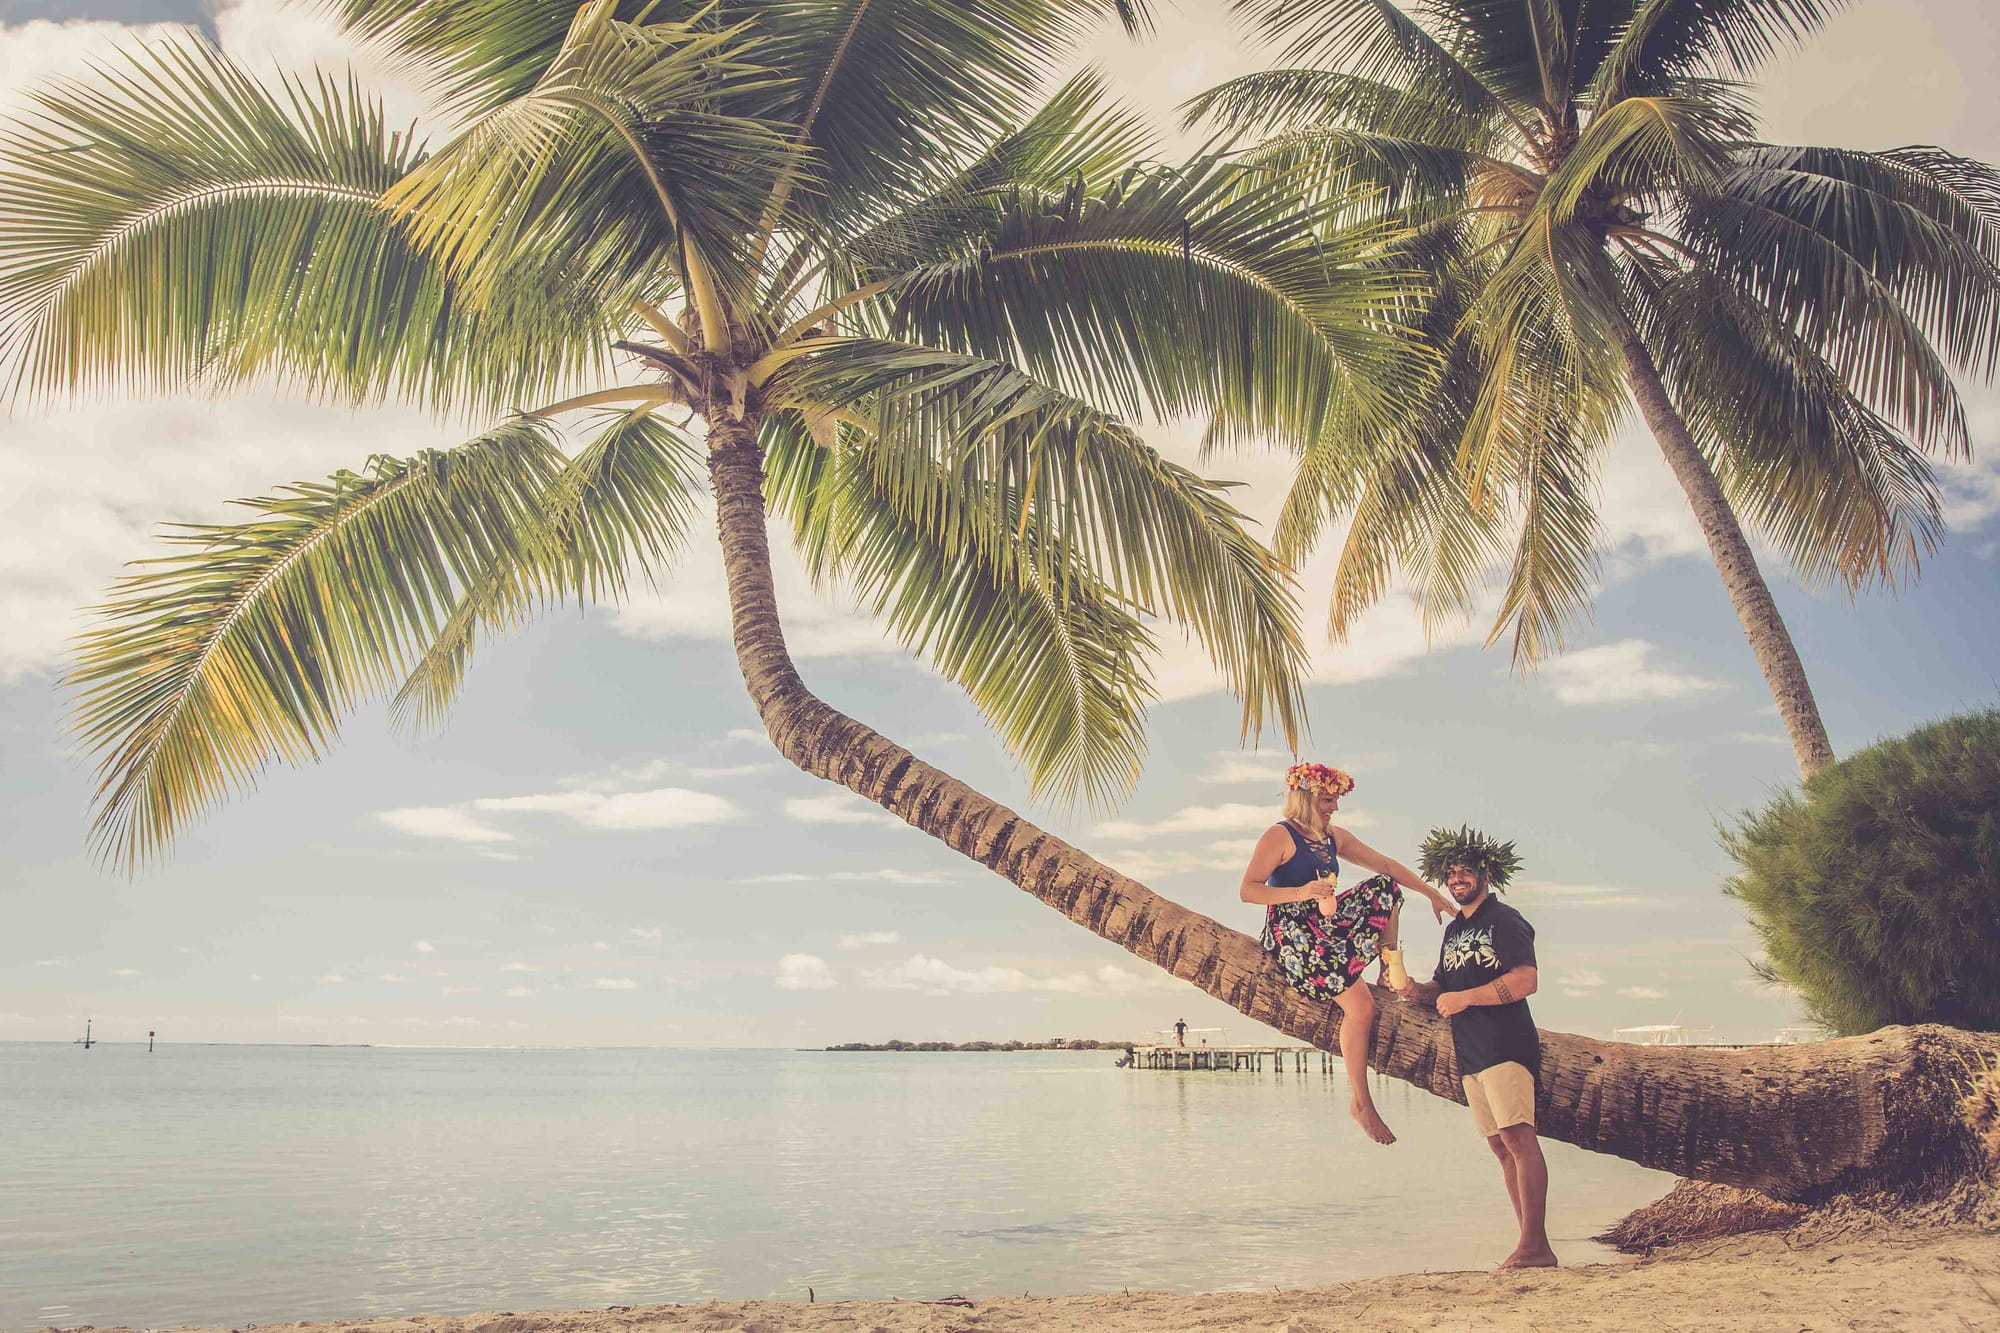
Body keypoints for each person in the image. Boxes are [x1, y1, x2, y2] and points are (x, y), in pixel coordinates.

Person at [1240, 762, 1451, 1145]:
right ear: (1305, 798)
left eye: (1336, 800)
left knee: (1386, 886)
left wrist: (1430, 893)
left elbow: (1386, 865)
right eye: (1327, 800)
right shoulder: (1279, 835)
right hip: (1293, 933)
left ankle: (1389, 968)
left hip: (1326, 923)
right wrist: (1301, 892)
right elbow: (1249, 890)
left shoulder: (1333, 838)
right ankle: (1361, 1103)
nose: (1334, 807)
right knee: (1362, 1008)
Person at [1392, 825, 1553, 1269]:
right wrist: (1414, 990)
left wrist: (1466, 998)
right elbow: (1442, 987)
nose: (1457, 878)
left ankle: (1535, 1245)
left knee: (1518, 1138)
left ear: (1486, 874)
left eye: (1465, 871)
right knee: (1500, 1146)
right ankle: (1531, 1243)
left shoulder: (1505, 920)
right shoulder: (1454, 931)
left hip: (1505, 1043)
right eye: (1450, 872)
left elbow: (1526, 980)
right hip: (1470, 1051)